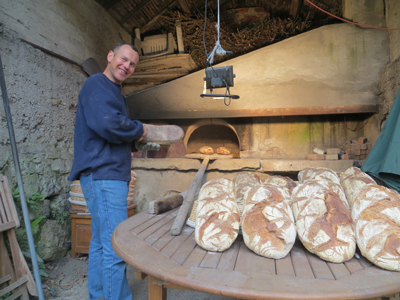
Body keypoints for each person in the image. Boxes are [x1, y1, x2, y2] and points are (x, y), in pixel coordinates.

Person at [68, 42, 157, 300]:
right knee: (116, 247)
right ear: (110, 56)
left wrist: (133, 139)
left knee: (99, 244)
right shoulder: (97, 84)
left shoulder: (114, 93)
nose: (127, 66)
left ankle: (97, 295)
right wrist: (140, 129)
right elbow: (107, 123)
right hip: (104, 176)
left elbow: (111, 131)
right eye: (124, 59)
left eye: (132, 64)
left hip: (103, 176)